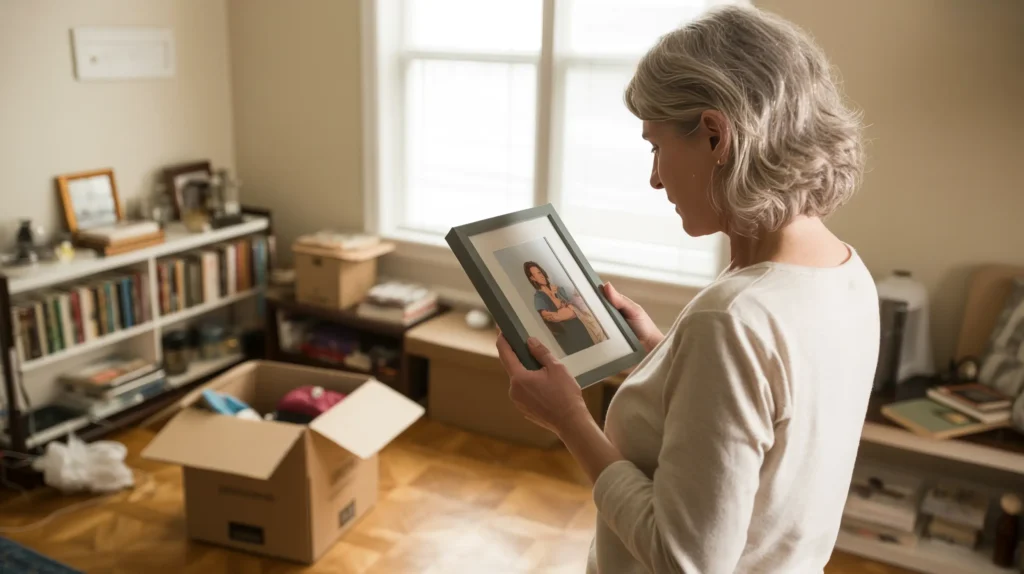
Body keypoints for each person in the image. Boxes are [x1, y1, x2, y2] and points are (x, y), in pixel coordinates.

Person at [496, 5, 879, 574]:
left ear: (715, 134)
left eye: (655, 145)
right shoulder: (846, 272)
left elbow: (682, 560)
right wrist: (662, 350)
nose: (654, 177)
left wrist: (569, 421)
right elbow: (758, 426)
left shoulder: (733, 319)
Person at [526, 261, 604, 355]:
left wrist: (564, 310)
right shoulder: (539, 297)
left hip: (581, 327)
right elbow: (550, 317)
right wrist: (565, 311)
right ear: (532, 278)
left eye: (540, 272)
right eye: (537, 274)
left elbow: (574, 306)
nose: (541, 275)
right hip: (568, 336)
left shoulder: (559, 289)